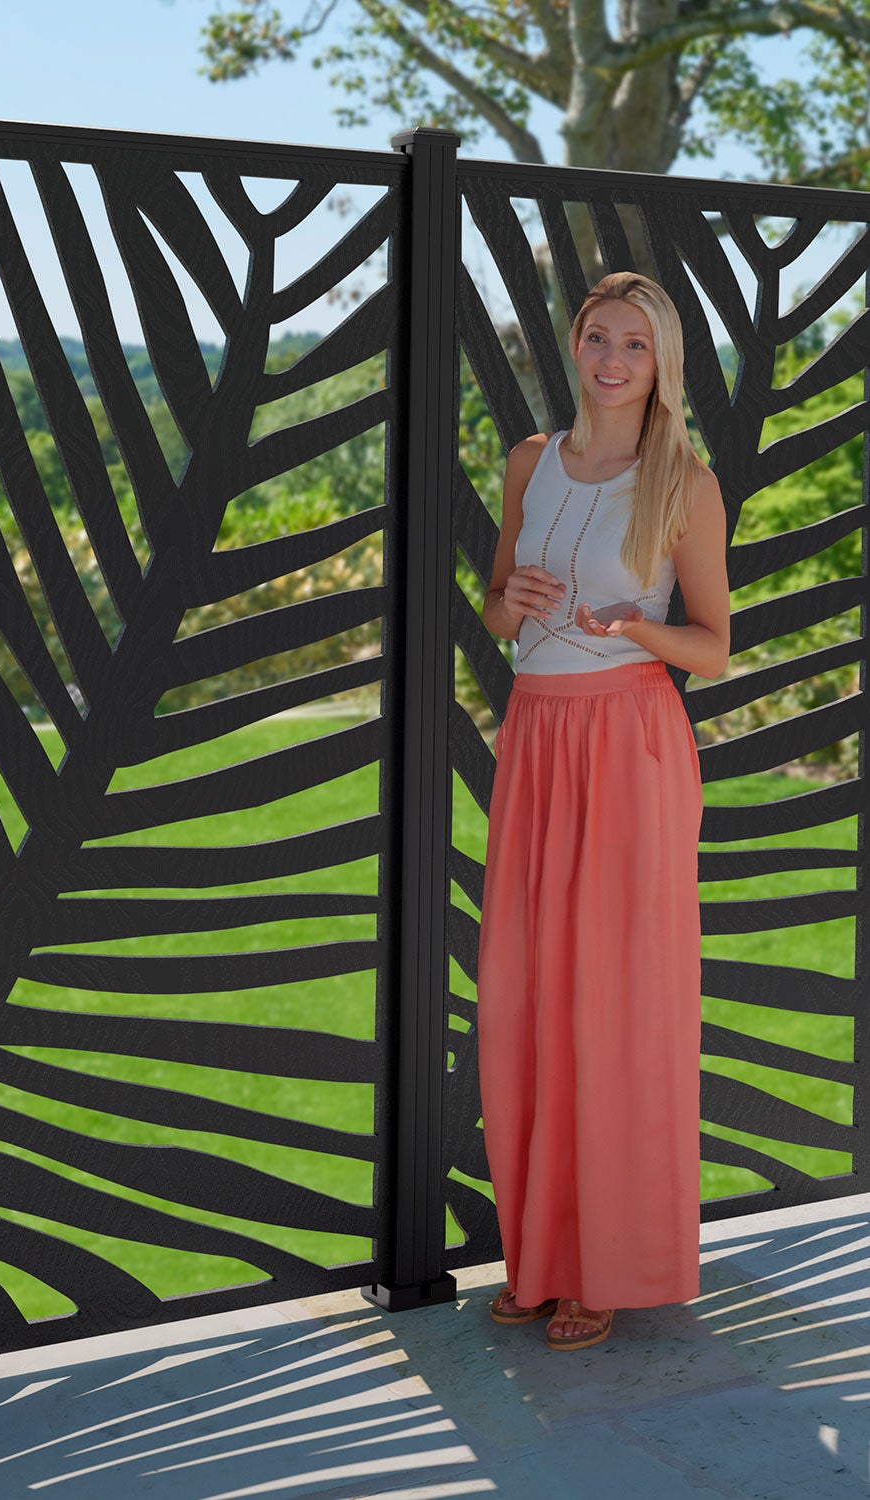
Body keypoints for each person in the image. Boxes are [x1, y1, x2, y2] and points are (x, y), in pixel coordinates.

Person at [476, 271, 730, 1352]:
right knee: (528, 1001)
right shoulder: (529, 461)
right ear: (574, 345)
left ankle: (608, 1268)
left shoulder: (685, 482)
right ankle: (540, 1259)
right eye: (597, 337)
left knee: (617, 1005)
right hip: (536, 741)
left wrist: (635, 626)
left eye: (635, 342)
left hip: (629, 746)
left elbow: (713, 649)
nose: (613, 359)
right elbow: (498, 610)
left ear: (661, 359)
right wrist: (511, 601)